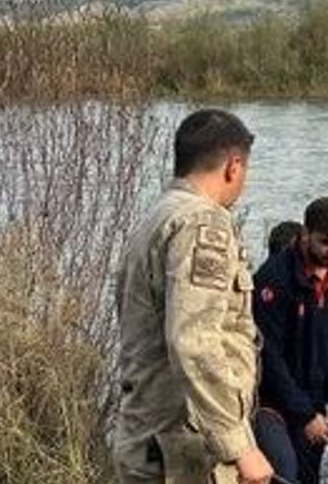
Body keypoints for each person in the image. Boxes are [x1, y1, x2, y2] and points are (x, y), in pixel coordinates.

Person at [112, 109, 273, 484]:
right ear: (233, 166)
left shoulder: (157, 216)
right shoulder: (203, 222)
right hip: (181, 450)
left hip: (148, 435)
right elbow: (194, 341)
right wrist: (240, 448)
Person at [253, 197, 328, 484]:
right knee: (286, 473)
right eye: (326, 243)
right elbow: (268, 354)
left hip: (318, 398)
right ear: (306, 234)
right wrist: (304, 414)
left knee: (309, 474)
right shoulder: (274, 279)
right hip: (275, 401)